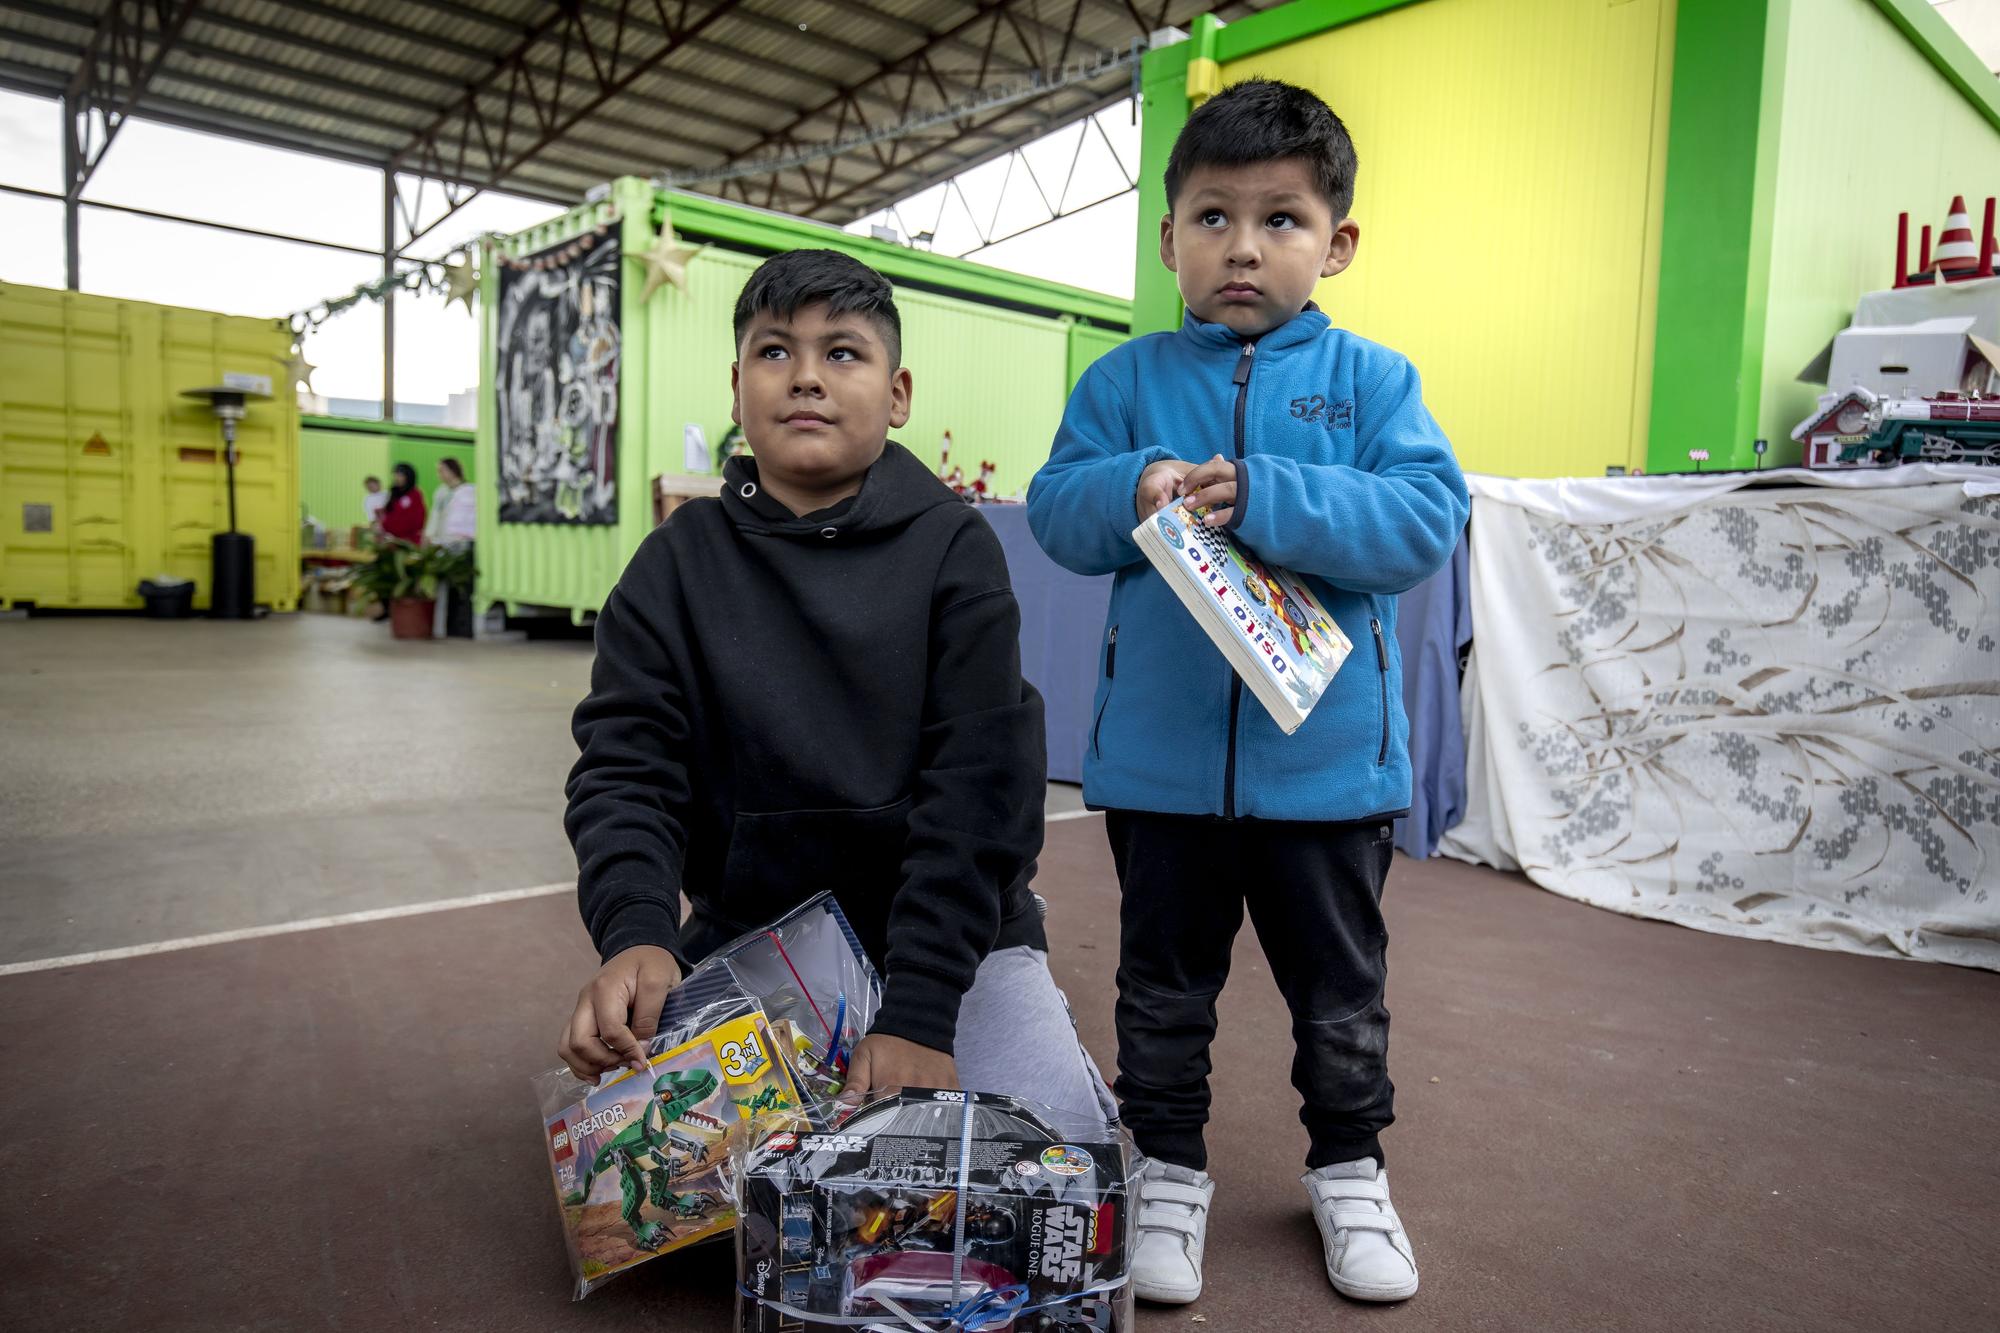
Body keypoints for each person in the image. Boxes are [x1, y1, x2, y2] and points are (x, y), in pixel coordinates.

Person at [1026, 79, 1468, 1307]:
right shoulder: (1122, 384)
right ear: (1167, 239)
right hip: (1161, 777)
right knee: (1161, 988)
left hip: (1327, 777)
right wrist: (1138, 486)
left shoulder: (1375, 384)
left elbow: (1425, 519)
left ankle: (1348, 1170)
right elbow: (1059, 511)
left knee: (1339, 993)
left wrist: (1270, 494)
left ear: (1337, 242)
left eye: (1280, 218)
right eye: (1211, 217)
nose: (1242, 246)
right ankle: (1164, 1171)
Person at [559, 249, 1110, 1132]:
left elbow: (980, 787)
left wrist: (921, 1013)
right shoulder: (675, 563)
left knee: (1041, 1179)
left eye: (842, 353)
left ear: (898, 395)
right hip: (757, 939)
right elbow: (627, 766)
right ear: (738, 386)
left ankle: (1052, 1056)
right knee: (675, 1192)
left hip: (955, 949)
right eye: (776, 353)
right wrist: (636, 933)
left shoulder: (954, 550)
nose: (807, 376)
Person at [378, 463, 426, 544]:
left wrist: (400, 535)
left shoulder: (415, 494)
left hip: (407, 541)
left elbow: (419, 520)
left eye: (400, 475)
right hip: (390, 540)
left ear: (408, 477)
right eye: (395, 475)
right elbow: (389, 514)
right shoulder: (393, 492)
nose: (396, 478)